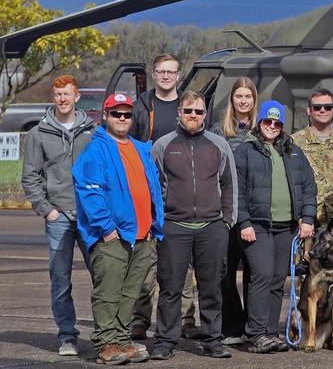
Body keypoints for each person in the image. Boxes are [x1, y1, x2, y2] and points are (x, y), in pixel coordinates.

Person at [73, 93, 163, 365]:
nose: (122, 119)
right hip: (113, 236)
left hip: (142, 235)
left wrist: (153, 225)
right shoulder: (95, 150)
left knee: (131, 293)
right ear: (105, 116)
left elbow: (153, 188)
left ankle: (122, 340)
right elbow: (89, 191)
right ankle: (105, 344)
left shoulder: (140, 148)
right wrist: (106, 228)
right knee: (108, 293)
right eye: (116, 113)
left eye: (126, 114)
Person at [149, 91, 237, 360]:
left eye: (198, 112)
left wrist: (226, 223)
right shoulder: (163, 145)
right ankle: (165, 341)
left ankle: (213, 340)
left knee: (211, 289)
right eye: (188, 111)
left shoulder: (219, 145)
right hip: (175, 227)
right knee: (170, 288)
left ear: (205, 114)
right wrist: (159, 223)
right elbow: (155, 188)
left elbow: (230, 185)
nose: (193, 116)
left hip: (212, 227)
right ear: (179, 112)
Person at [21, 75, 96, 356]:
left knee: (102, 276)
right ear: (52, 98)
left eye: (67, 94)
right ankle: (68, 336)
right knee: (61, 279)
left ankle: (106, 333)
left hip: (91, 217)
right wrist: (47, 210)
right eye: (58, 95)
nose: (63, 99)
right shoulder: (39, 134)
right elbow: (30, 176)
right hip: (59, 217)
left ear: (77, 96)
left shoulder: (94, 130)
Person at [234, 100, 317, 354]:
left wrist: (308, 218)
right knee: (261, 276)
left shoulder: (293, 151)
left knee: (277, 279)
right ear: (259, 122)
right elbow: (236, 191)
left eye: (277, 123)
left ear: (282, 126)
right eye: (267, 121)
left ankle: (270, 332)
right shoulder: (245, 151)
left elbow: (308, 187)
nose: (272, 126)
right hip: (256, 226)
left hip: (287, 227)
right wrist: (244, 222)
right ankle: (256, 334)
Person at [129, 53, 200, 341]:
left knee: (181, 262)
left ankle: (186, 319)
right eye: (161, 71)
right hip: (146, 194)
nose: (166, 76)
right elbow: (128, 145)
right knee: (145, 262)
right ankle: (139, 320)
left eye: (171, 72)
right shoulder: (141, 107)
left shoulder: (189, 104)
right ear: (154, 74)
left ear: (178, 74)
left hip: (180, 194)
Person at [290, 87, 333, 339]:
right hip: (309, 219)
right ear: (309, 111)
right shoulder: (295, 142)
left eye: (327, 107)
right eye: (317, 107)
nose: (322, 111)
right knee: (304, 274)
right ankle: (301, 323)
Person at [208, 77, 258, 345]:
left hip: (254, 213)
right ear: (232, 99)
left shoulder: (263, 129)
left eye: (247, 96)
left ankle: (254, 324)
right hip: (226, 213)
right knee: (225, 274)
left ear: (253, 100)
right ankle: (232, 325)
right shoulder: (218, 131)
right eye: (238, 96)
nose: (242, 101)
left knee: (254, 272)